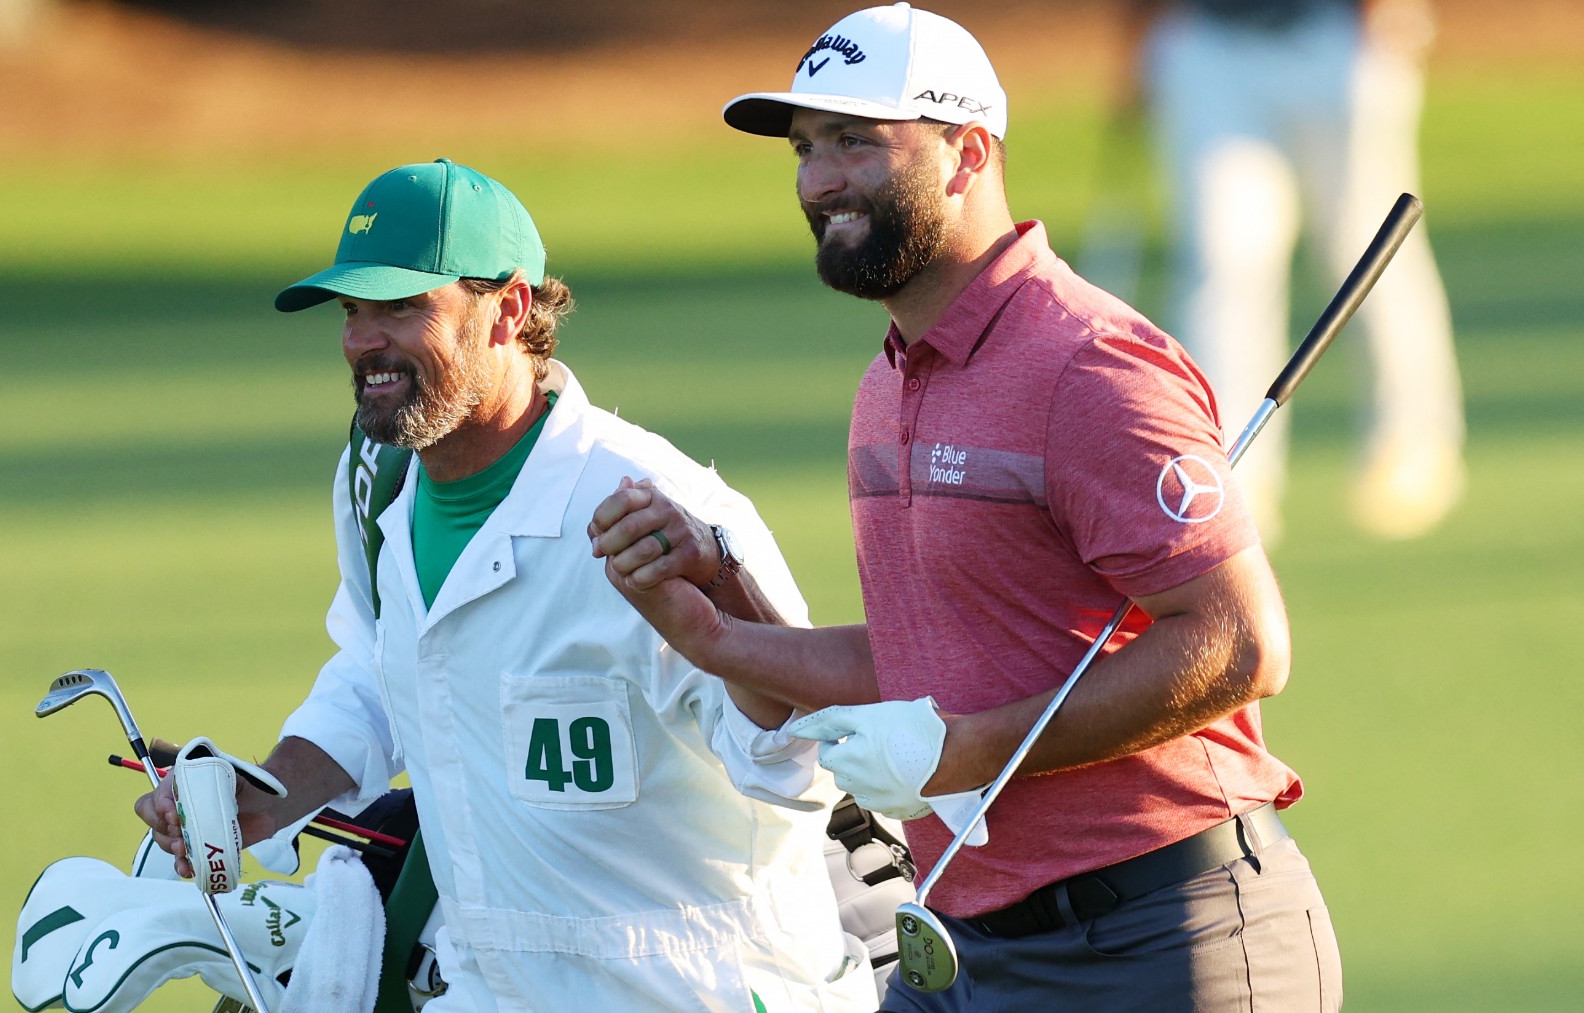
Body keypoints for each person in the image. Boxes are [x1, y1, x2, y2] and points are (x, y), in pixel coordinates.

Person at [591, 4, 1341, 1009]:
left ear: (966, 153)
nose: (819, 180)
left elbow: (1244, 643)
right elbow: (926, 662)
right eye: (808, 149)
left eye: (858, 141)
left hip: (1166, 940)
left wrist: (972, 747)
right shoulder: (888, 384)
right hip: (967, 946)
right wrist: (717, 632)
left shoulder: (1092, 370)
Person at [133, 158, 878, 1012]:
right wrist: (268, 792)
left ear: (510, 310)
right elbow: (384, 667)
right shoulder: (375, 479)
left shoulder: (659, 511)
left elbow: (794, 762)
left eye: (404, 307)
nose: (362, 339)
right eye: (352, 310)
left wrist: (723, 590)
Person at [1134, 0, 1464, 539]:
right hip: (1208, 41)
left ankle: (1413, 442)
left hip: (1339, 36)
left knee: (1370, 249)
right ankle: (1234, 469)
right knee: (1226, 254)